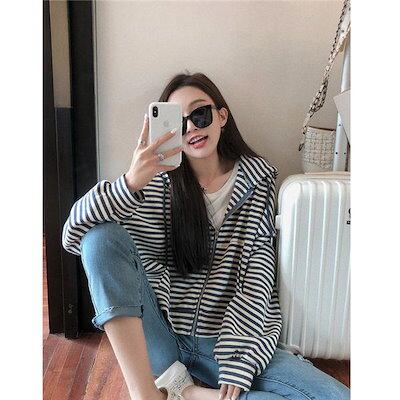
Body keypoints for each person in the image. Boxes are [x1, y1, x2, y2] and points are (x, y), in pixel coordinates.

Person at [62, 72, 350, 400]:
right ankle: (147, 394)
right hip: (162, 338)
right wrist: (131, 182)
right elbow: (74, 237)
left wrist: (240, 358)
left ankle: (186, 392)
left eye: (200, 114)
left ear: (222, 116)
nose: (191, 128)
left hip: (225, 343)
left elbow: (257, 273)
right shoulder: (154, 183)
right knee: (100, 237)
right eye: (178, 122)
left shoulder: (258, 181)